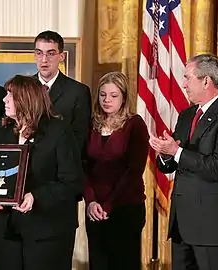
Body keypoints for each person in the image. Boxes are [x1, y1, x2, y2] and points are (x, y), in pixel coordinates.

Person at [149, 54, 218, 270]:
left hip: (213, 229)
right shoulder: (186, 115)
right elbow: (175, 162)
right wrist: (166, 154)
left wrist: (176, 151)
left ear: (206, 81)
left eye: (187, 78)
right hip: (183, 225)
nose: (183, 84)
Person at [0, 75, 83, 270]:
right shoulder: (1, 131)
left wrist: (35, 197)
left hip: (47, 234)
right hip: (8, 232)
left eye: (10, 95)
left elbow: (72, 181)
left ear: (26, 99)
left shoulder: (59, 132)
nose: (4, 100)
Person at [83, 72, 149, 270]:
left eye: (113, 95)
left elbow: (134, 170)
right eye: (103, 95)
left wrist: (109, 205)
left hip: (125, 208)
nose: (107, 100)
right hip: (95, 209)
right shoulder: (91, 124)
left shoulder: (135, 124)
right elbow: (83, 165)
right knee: (99, 263)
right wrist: (91, 201)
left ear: (123, 97)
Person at [33, 30, 91, 153]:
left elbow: (80, 138)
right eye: (39, 53)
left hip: (61, 165)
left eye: (51, 53)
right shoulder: (23, 89)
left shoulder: (78, 92)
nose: (44, 59)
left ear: (61, 56)